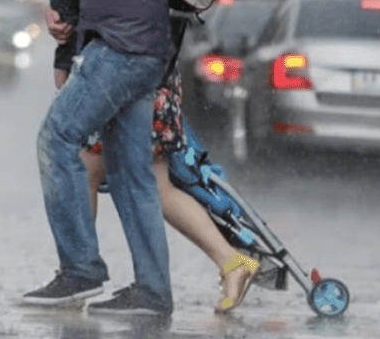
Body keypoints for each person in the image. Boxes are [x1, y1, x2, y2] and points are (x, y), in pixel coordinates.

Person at [23, 0, 181, 316]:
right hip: (123, 42)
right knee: (134, 175)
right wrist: (66, 17)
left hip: (125, 46)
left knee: (57, 138)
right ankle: (152, 291)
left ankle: (81, 268)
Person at [78, 69, 260, 314]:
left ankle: (79, 275)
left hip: (129, 74)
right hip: (149, 73)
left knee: (84, 171)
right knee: (156, 185)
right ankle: (231, 261)